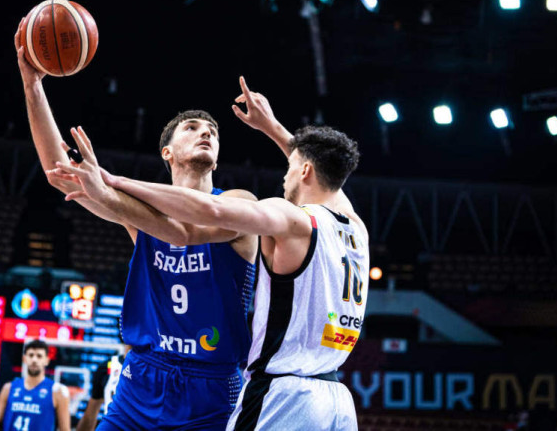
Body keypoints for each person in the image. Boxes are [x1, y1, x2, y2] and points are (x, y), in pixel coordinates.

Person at [54, 76, 369, 430]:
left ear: (305, 170)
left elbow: (203, 217)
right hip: (335, 395)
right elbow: (323, 175)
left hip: (283, 391)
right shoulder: (354, 226)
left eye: (290, 168)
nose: (284, 178)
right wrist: (273, 128)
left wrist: (113, 181)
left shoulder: (290, 217)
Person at [15, 23, 258, 430]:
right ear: (167, 152)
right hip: (143, 376)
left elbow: (185, 228)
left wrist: (109, 188)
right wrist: (33, 85)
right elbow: (59, 173)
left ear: (217, 157)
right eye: (192, 128)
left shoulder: (239, 204)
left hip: (212, 386)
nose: (206, 132)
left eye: (212, 132)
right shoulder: (140, 211)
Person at [0, 340, 70, 431]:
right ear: (24, 359)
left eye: (39, 356)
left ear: (47, 360)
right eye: (31, 355)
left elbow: (65, 429)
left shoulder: (57, 391)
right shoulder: (9, 388)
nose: (34, 360)